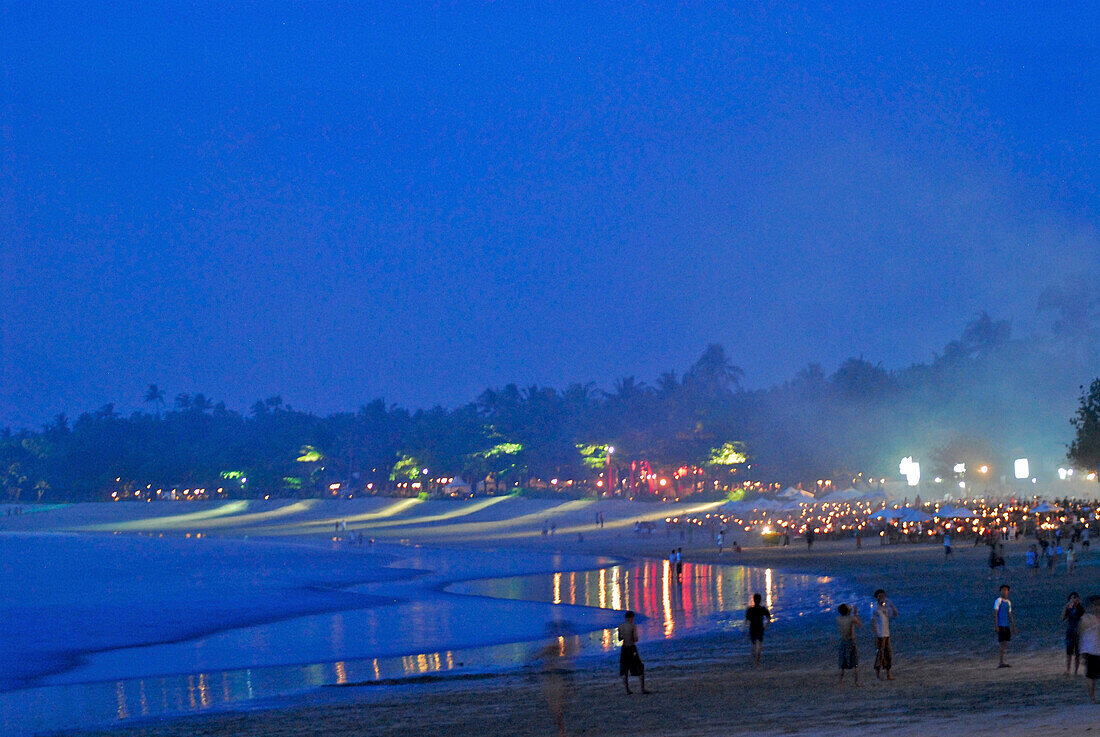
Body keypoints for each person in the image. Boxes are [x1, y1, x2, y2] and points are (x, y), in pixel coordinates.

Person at [617, 610, 649, 694]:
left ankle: (627, 689)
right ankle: (642, 688)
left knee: (624, 668)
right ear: (631, 618)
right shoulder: (633, 626)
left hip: (624, 649)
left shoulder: (620, 626)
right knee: (639, 666)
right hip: (631, 647)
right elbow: (635, 638)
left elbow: (620, 638)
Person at [871, 589, 899, 680]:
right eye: (880, 596)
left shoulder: (885, 608)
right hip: (880, 634)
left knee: (888, 654)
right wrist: (875, 637)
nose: (882, 598)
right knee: (880, 654)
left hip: (886, 634)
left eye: (883, 596)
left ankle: (888, 673)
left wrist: (890, 603)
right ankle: (878, 675)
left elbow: (895, 614)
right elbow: (873, 623)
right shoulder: (875, 608)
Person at [1080, 595, 1100, 703]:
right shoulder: (1085, 619)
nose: (1097, 607)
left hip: (1096, 650)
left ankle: (1093, 697)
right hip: (1090, 651)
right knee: (1091, 676)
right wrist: (1081, 652)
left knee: (1092, 676)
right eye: (1095, 605)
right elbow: (1080, 635)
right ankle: (1093, 698)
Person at [837, 603, 861, 685]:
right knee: (855, 662)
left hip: (842, 641)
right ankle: (856, 681)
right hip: (851, 641)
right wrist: (855, 613)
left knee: (842, 662)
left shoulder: (838, 619)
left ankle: (841, 681)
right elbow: (859, 625)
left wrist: (849, 610)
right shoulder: (852, 619)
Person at [745, 593, 771, 667]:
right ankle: (757, 661)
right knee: (759, 644)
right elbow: (769, 618)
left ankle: (755, 659)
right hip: (760, 628)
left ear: (753, 600)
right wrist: (766, 626)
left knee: (754, 644)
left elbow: (747, 620)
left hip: (752, 628)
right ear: (760, 600)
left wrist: (744, 628)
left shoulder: (750, 609)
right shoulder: (762, 609)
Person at [993, 584, 1016, 668]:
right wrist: (996, 625)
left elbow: (1010, 614)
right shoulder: (998, 600)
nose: (1004, 591)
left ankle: (1002, 661)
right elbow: (995, 613)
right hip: (1001, 625)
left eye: (1006, 590)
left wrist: (1013, 625)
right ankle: (1001, 662)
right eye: (1003, 590)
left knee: (1005, 643)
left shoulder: (1008, 602)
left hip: (1006, 625)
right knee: (1002, 643)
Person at [1063, 592, 1086, 676]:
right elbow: (1062, 617)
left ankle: (1076, 671)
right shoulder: (1068, 608)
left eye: (1076, 597)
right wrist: (1066, 608)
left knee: (1077, 653)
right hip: (1070, 632)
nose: (1074, 599)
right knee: (1069, 653)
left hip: (1078, 633)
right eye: (1073, 598)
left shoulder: (1081, 608)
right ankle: (1068, 670)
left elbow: (1083, 618)